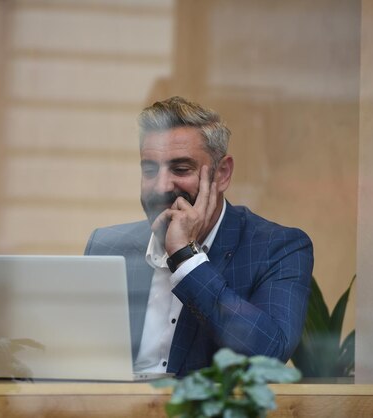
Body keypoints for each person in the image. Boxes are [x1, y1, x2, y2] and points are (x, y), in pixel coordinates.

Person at [85, 96, 313, 376]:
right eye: (149, 170)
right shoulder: (108, 245)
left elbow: (268, 355)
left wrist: (185, 258)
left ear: (222, 174)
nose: (161, 186)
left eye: (181, 169)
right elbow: (79, 360)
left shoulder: (277, 248)